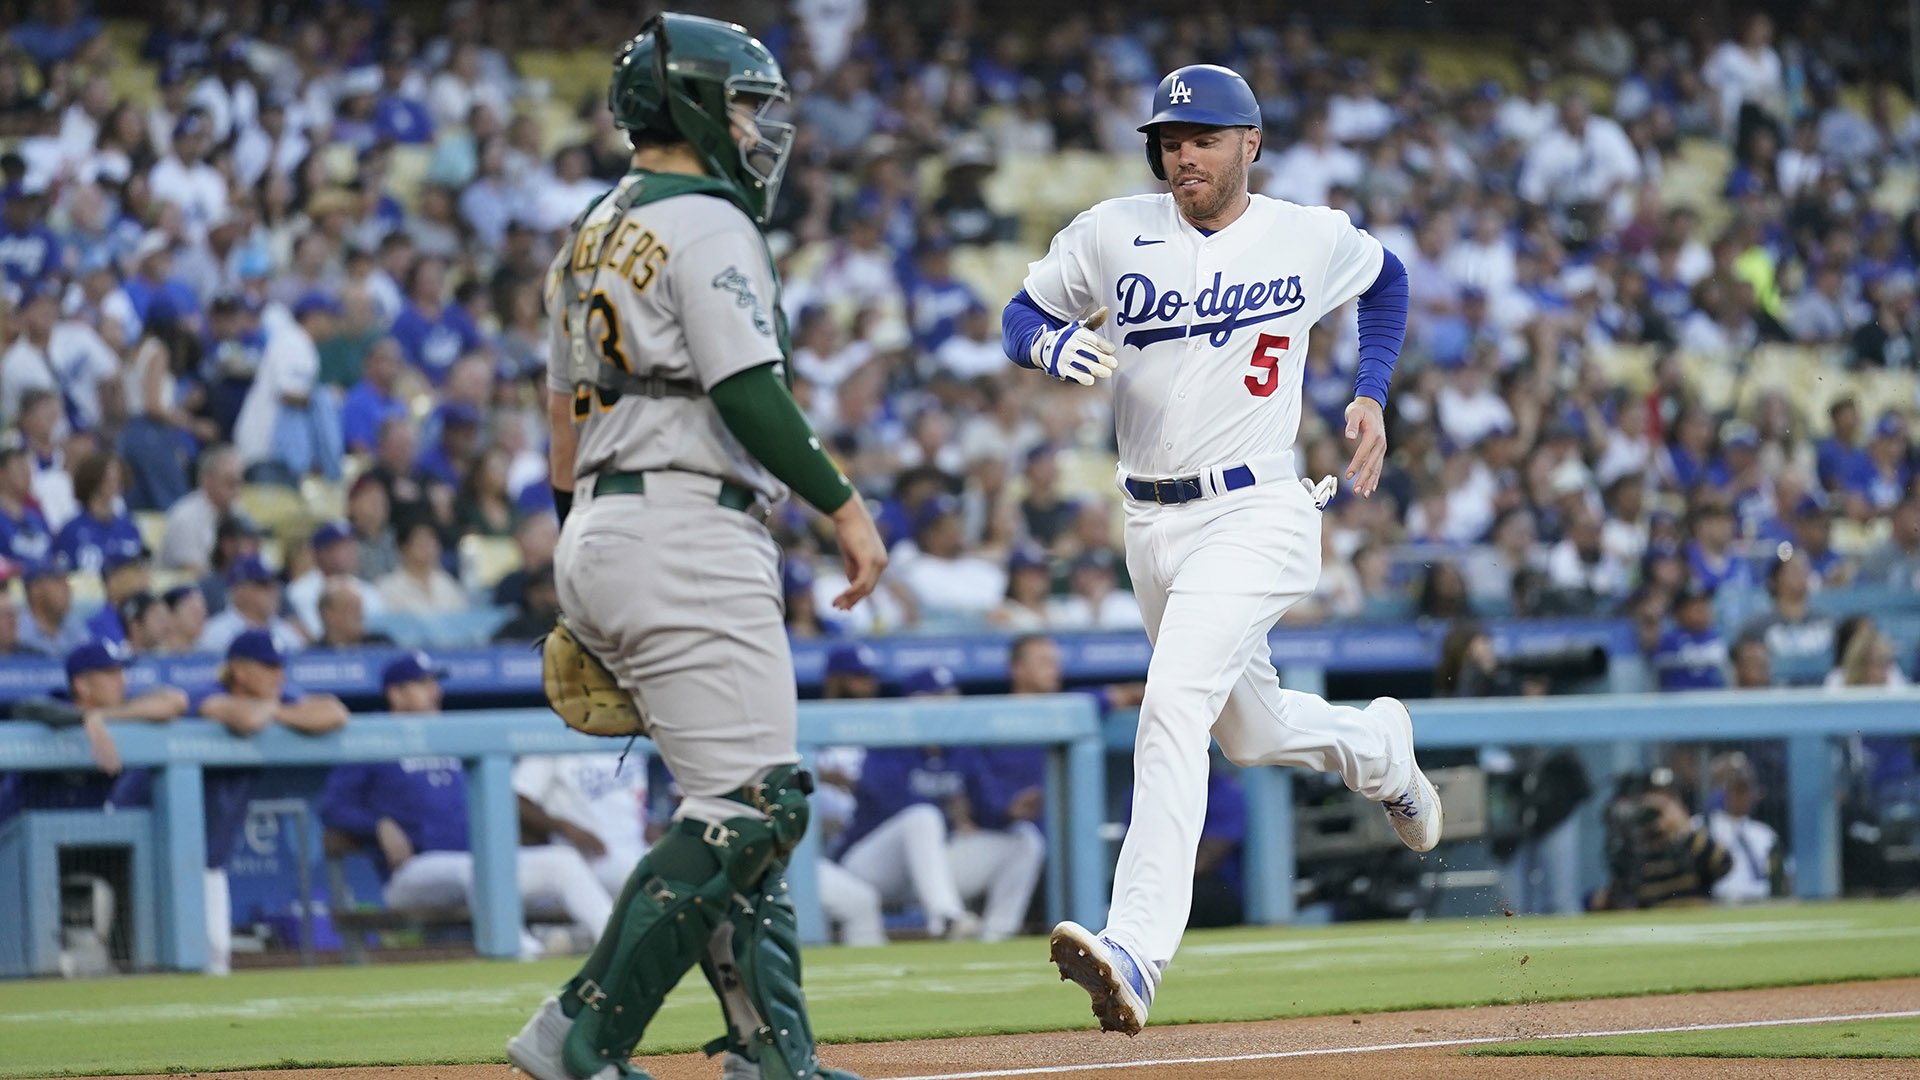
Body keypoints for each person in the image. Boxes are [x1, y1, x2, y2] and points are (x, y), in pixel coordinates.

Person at [999, 61, 1436, 1034]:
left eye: (1201, 138)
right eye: (1168, 139)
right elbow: (1020, 313)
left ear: (1251, 143)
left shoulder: (1305, 232)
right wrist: (1045, 347)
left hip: (1261, 509)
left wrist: (1370, 390)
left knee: (1173, 705)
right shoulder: (1116, 230)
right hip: (1150, 524)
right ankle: (1381, 752)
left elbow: (1388, 278)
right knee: (1252, 731)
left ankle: (1136, 950)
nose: (1181, 154)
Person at [504, 17, 884, 1080]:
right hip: (685, 520)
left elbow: (561, 434)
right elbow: (747, 389)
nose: (759, 129)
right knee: (761, 805)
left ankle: (777, 1057)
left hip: (605, 519)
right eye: (745, 106)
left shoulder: (588, 229)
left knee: (739, 810)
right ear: (691, 106)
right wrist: (843, 506)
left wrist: (590, 564)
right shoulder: (709, 222)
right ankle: (581, 1030)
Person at [320, 653, 614, 957]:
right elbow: (332, 808)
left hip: (473, 866)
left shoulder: (451, 737)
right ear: (396, 694)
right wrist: (377, 824)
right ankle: (518, 952)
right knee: (476, 869)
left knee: (561, 861)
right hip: (412, 874)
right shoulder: (374, 738)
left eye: (434, 683)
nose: (434, 691)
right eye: (422, 684)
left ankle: (616, 944)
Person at [110, 630, 348, 974]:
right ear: (238, 671)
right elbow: (247, 720)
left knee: (214, 958)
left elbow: (335, 712)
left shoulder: (277, 698)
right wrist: (272, 709)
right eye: (268, 666)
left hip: (205, 858)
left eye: (280, 666)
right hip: (145, 846)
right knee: (139, 957)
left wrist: (275, 711)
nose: (279, 675)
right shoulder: (208, 694)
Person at [0, 640, 188, 825]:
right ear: (82, 685)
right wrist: (83, 719)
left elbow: (176, 701)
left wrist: (98, 716)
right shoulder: (57, 706)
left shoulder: (119, 711)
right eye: (110, 674)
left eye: (122, 672)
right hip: (17, 833)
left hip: (84, 835)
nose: (122, 681)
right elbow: (27, 708)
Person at [513, 746, 650, 898]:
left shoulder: (630, 737)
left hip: (638, 848)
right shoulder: (555, 739)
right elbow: (516, 800)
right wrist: (563, 826)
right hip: (590, 858)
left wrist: (656, 821)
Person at [157, 446, 244, 575]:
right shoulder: (184, 517)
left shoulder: (239, 513)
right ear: (206, 480)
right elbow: (192, 570)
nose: (236, 489)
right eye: (229, 482)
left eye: (239, 482)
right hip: (186, 590)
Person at [1703, 752, 1777, 903]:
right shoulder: (1701, 827)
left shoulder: (1764, 834)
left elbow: (1780, 879)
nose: (1743, 796)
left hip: (1761, 904)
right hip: (1717, 903)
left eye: (1747, 788)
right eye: (1736, 789)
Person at [51, 453, 142, 574]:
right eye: (109, 478)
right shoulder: (72, 530)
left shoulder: (129, 527)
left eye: (118, 478)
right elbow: (64, 571)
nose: (115, 483)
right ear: (94, 480)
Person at [287, 522, 381, 638]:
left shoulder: (368, 590)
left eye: (351, 545)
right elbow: (315, 633)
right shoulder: (300, 591)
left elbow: (377, 631)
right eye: (340, 547)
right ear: (320, 553)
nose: (350, 552)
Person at [198, 554, 304, 656]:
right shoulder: (215, 634)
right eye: (263, 585)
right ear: (238, 590)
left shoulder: (285, 632)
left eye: (274, 584)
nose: (272, 591)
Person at [375, 518, 467, 615]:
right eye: (421, 541)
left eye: (431, 541)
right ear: (403, 548)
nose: (428, 547)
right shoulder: (388, 587)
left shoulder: (447, 584)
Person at [17, 554, 88, 656]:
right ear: (35, 590)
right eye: (58, 581)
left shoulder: (75, 627)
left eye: (66, 580)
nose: (67, 588)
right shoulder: (16, 631)